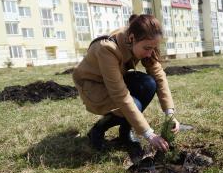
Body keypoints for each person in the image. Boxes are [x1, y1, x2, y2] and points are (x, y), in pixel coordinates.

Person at [72, 14, 180, 162]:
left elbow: (159, 75)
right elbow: (121, 95)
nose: (150, 53)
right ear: (131, 39)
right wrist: (149, 134)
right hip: (92, 86)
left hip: (113, 80)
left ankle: (125, 133)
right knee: (132, 103)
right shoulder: (107, 48)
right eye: (147, 48)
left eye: (153, 48)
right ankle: (97, 130)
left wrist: (170, 113)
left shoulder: (142, 39)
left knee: (148, 83)